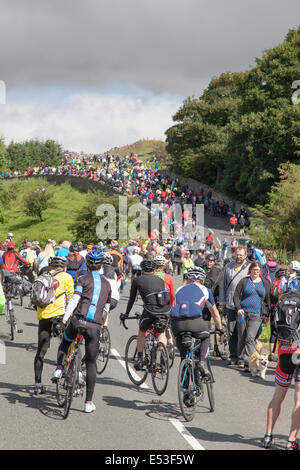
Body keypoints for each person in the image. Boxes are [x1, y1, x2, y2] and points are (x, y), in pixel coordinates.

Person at [51, 249, 111, 413]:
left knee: (66, 340)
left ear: (87, 264)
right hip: (94, 326)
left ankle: (58, 368)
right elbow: (107, 308)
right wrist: (101, 322)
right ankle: (88, 402)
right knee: (91, 363)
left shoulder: (82, 278)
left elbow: (75, 299)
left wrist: (64, 319)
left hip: (78, 320)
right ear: (101, 266)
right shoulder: (107, 284)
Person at [170, 267, 223, 377]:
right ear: (202, 281)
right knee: (205, 335)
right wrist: (220, 328)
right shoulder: (205, 290)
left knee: (184, 357)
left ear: (188, 278)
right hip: (194, 321)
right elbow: (215, 313)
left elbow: (174, 307)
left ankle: (184, 388)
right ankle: (201, 363)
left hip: (177, 324)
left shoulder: (179, 289)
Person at [34, 256, 74, 395]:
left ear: (50, 266)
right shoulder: (67, 277)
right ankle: (62, 372)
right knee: (66, 344)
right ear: (64, 267)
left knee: (41, 350)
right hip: (60, 316)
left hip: (44, 316)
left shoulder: (42, 277)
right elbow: (72, 297)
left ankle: (38, 384)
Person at [122, 259, 172, 371]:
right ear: (154, 270)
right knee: (160, 333)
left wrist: (126, 314)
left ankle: (140, 359)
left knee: (142, 332)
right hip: (164, 310)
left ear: (142, 270)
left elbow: (132, 299)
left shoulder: (137, 280)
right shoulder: (160, 280)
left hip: (150, 310)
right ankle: (163, 355)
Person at [233, 261, 271, 372]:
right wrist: (238, 308)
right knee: (242, 336)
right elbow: (236, 295)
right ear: (250, 270)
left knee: (250, 338)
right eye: (254, 270)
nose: (255, 272)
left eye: (258, 270)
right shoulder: (244, 281)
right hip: (243, 314)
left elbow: (268, 299)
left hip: (257, 314)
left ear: (260, 272)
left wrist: (268, 314)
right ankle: (241, 358)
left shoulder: (264, 282)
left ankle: (249, 361)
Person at [219, 246, 250, 366]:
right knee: (231, 331)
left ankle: (241, 357)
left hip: (243, 306)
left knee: (242, 332)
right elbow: (224, 285)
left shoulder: (249, 267)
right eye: (237, 254)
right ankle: (233, 356)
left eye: (241, 255)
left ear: (245, 256)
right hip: (230, 304)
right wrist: (222, 301)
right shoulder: (229, 266)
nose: (239, 257)